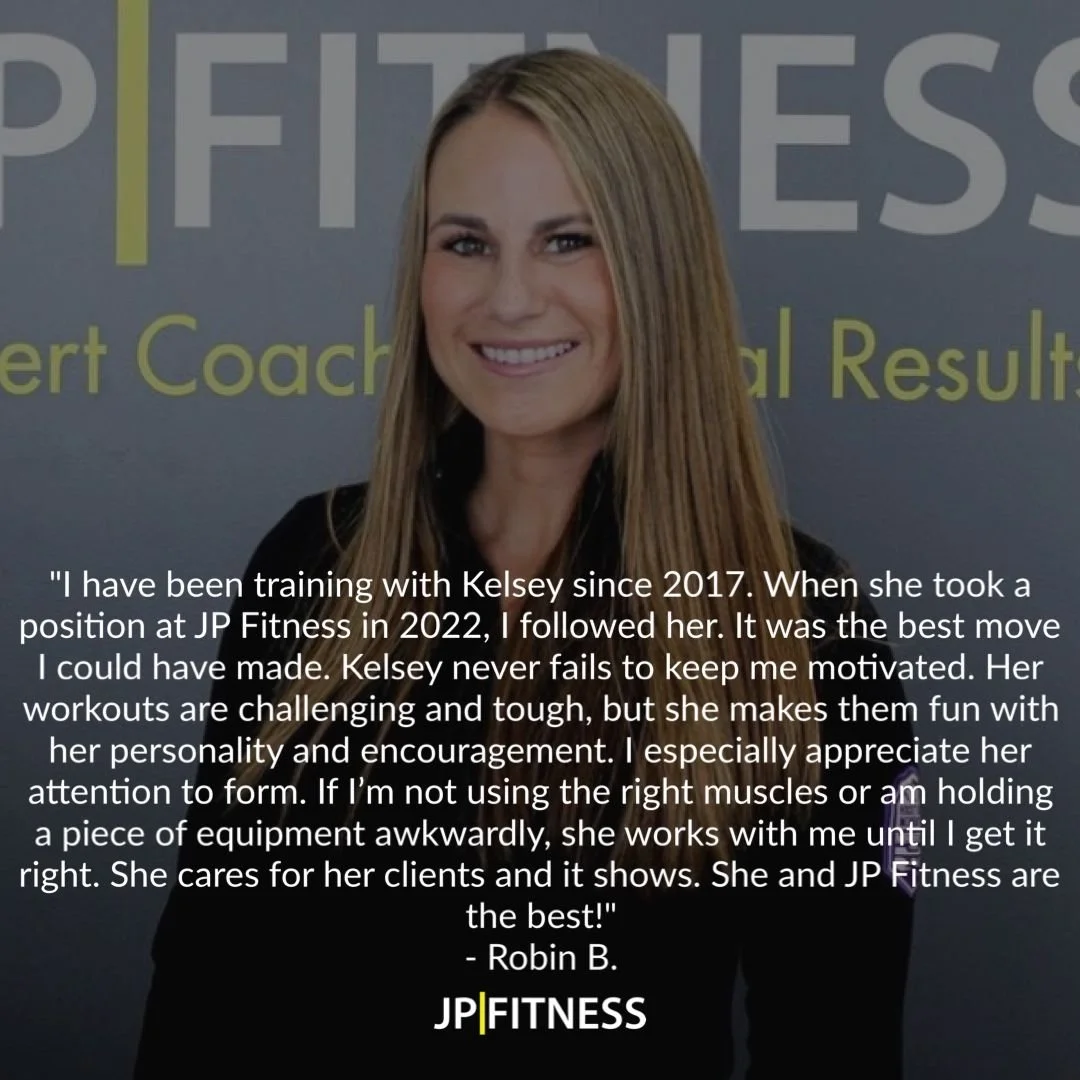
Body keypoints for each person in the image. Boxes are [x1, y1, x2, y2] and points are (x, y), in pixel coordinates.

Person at [134, 48, 915, 1077]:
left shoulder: (799, 624)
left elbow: (834, 1043)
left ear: (656, 267)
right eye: (466, 242)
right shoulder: (314, 559)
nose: (508, 300)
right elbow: (202, 993)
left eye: (567, 241)